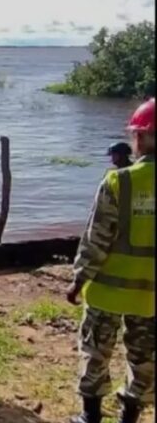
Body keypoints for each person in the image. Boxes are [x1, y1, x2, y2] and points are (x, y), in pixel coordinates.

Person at [66, 98, 155, 423]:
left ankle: (90, 416)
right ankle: (130, 415)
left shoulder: (119, 181)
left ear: (141, 138)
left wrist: (78, 280)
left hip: (107, 289)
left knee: (96, 351)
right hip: (151, 298)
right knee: (145, 358)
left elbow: (96, 240)